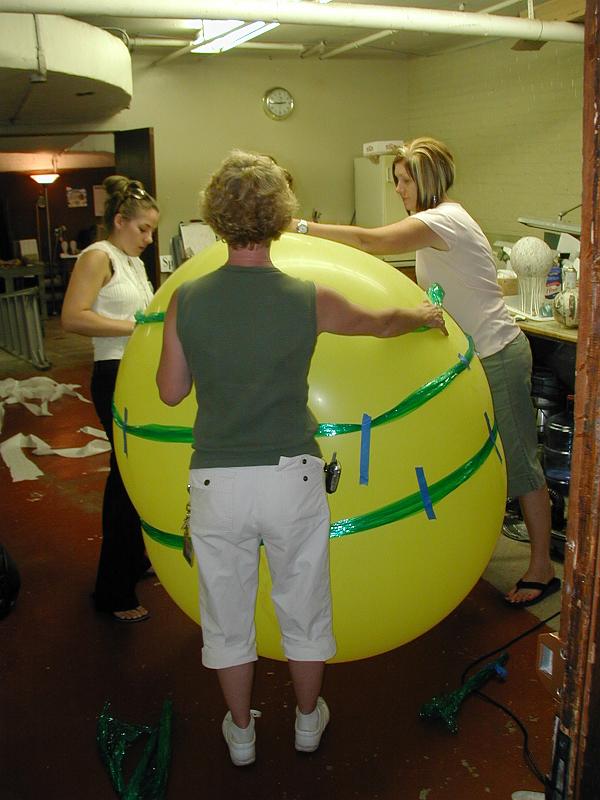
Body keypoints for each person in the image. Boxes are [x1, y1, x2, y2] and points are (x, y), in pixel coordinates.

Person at [156, 150, 447, 767]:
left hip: (217, 483)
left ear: (216, 218)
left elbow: (171, 392)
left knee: (226, 616)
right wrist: (423, 316)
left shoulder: (186, 299)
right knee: (304, 604)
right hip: (292, 477)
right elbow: (381, 323)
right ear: (280, 216)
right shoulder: (306, 297)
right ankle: (308, 722)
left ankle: (241, 734)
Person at [289, 136, 559, 609]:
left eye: (404, 180)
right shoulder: (437, 223)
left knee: (519, 462)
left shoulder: (443, 220)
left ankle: (543, 568)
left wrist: (300, 228)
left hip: (497, 354)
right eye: (396, 181)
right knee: (474, 456)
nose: (398, 190)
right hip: (473, 358)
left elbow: (371, 242)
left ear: (427, 179)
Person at [62, 175, 159, 622]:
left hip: (135, 374)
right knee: (124, 477)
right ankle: (113, 591)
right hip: (113, 374)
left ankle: (133, 559)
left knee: (136, 472)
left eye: (152, 230)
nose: (149, 238)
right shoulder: (97, 256)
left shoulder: (131, 262)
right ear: (120, 221)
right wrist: (136, 327)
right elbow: (73, 317)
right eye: (143, 229)